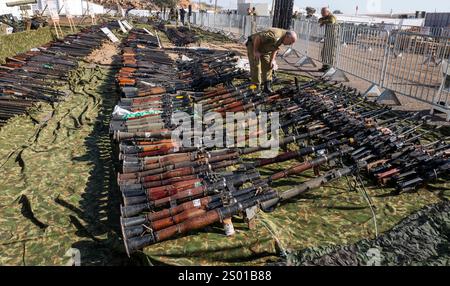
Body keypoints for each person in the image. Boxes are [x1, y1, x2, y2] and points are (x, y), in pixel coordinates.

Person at [246, 28, 298, 93]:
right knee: (256, 66)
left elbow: (275, 48)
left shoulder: (282, 38)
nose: (290, 44)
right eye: (290, 42)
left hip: (265, 48)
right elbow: (258, 37)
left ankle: (267, 87)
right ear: (287, 37)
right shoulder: (275, 35)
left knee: (268, 65)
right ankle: (255, 88)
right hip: (254, 45)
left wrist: (272, 60)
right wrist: (255, 51)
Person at [318, 7, 337, 72]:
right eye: (321, 12)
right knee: (324, 53)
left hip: (333, 38)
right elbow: (319, 20)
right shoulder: (325, 17)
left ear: (328, 12)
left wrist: (323, 22)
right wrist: (323, 21)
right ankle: (325, 66)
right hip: (327, 37)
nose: (321, 14)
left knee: (330, 53)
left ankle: (330, 67)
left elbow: (331, 21)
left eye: (323, 12)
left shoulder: (332, 16)